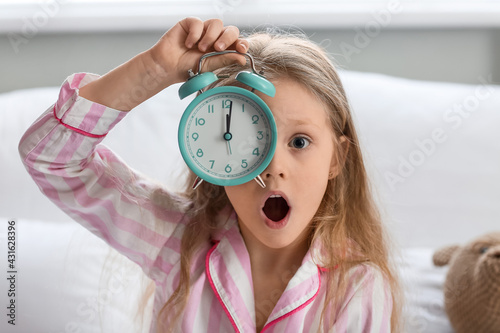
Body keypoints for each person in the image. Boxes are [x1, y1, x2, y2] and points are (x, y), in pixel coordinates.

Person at [19, 17, 401, 332]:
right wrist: (151, 72)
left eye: (299, 142)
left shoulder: (360, 287)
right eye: (250, 144)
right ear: (215, 158)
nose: (273, 168)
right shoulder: (177, 240)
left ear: (338, 158)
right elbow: (51, 159)